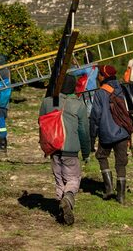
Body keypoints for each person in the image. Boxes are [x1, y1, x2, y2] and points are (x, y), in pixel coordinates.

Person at [39, 73, 90, 225]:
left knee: (59, 179)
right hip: (71, 148)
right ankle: (68, 198)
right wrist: (86, 152)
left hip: (53, 147)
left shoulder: (47, 102)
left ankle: (61, 209)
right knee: (73, 178)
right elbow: (83, 131)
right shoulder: (79, 105)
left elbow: (41, 122)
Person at [90, 65, 131, 204]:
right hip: (123, 132)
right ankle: (121, 196)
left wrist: (92, 136)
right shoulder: (122, 89)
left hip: (106, 133)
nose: (98, 77)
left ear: (104, 76)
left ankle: (108, 189)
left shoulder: (100, 93)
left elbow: (95, 116)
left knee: (101, 156)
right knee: (121, 164)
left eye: (99, 74)